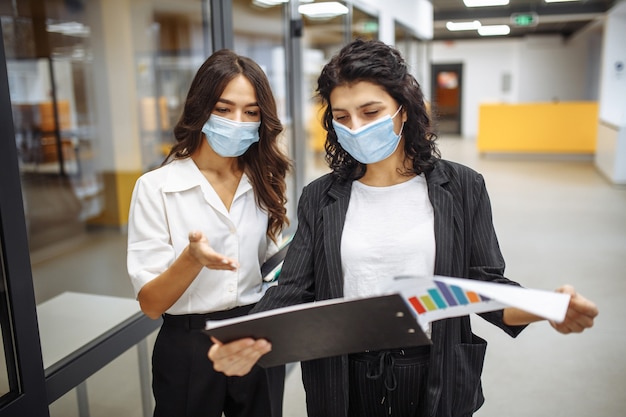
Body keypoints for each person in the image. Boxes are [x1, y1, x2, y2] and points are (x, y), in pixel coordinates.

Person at [207, 39, 599, 417]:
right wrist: (244, 337)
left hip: (435, 369)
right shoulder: (320, 197)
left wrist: (546, 308)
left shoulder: (461, 187)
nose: (355, 126)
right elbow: (293, 289)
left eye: (371, 112)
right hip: (345, 377)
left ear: (404, 109)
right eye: (342, 117)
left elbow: (486, 290)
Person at [127, 49, 291, 417]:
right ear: (201, 109)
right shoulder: (156, 188)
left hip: (256, 334)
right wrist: (192, 260)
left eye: (251, 112)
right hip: (188, 345)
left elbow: (269, 266)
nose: (238, 121)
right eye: (223, 108)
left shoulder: (264, 180)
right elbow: (152, 305)